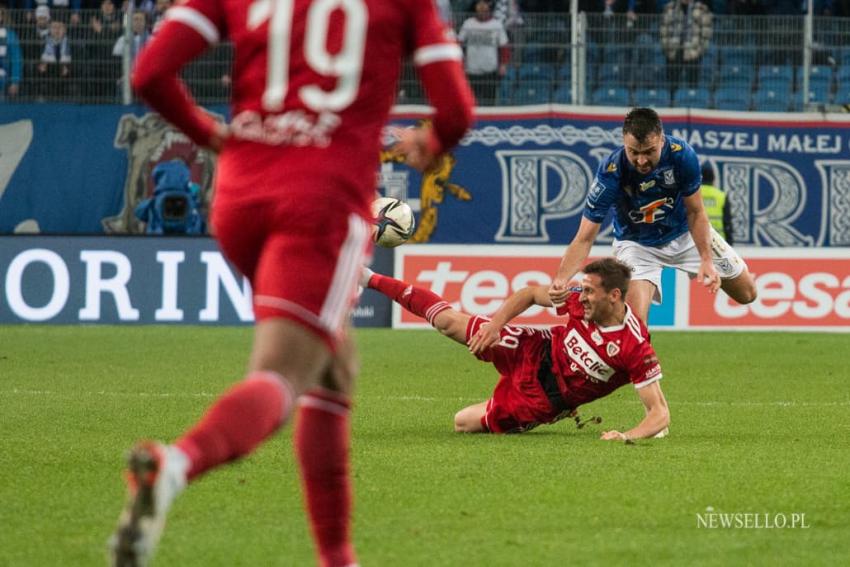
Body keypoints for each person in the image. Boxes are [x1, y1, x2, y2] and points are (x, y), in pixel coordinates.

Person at [108, 0, 474, 566]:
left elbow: (150, 73)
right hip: (320, 202)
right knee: (284, 373)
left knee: (334, 363)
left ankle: (337, 558)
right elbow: (456, 110)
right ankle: (174, 465)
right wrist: (429, 145)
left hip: (239, 199)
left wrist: (208, 132)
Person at [363, 258, 670, 439]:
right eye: (584, 289)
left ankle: (536, 413)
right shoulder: (579, 301)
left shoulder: (634, 347)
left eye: (590, 291)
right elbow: (530, 294)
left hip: (544, 398)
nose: (583, 296)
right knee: (449, 323)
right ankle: (368, 277)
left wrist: (626, 436)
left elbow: (660, 414)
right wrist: (495, 325)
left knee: (462, 423)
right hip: (535, 349)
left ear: (614, 296)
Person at [546, 107, 756, 324]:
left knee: (747, 294)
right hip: (637, 245)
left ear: (661, 140)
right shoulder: (611, 172)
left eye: (649, 151)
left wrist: (706, 260)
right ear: (623, 142)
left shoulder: (681, 156)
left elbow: (695, 212)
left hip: (685, 233)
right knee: (634, 324)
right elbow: (584, 237)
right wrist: (561, 279)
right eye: (633, 152)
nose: (641, 160)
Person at [457, 0, 509, 105]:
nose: (481, 8)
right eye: (479, 4)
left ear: (489, 7)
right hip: (471, 71)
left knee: (489, 102)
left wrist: (503, 64)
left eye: (484, 4)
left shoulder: (496, 25)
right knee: (471, 102)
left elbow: (504, 47)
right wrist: (460, 63)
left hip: (489, 71)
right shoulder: (468, 23)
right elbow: (458, 44)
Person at [659, 0, 712, 92]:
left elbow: (706, 33)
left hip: (693, 52)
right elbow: (663, 31)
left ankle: (691, 100)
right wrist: (667, 49)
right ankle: (672, 102)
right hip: (673, 51)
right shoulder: (669, 8)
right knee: (672, 83)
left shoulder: (702, 9)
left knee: (692, 84)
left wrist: (698, 51)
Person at [699, 162, 733, 245]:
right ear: (713, 178)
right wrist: (729, 243)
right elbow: (727, 222)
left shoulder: (694, 194)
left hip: (698, 240)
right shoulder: (721, 196)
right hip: (719, 242)